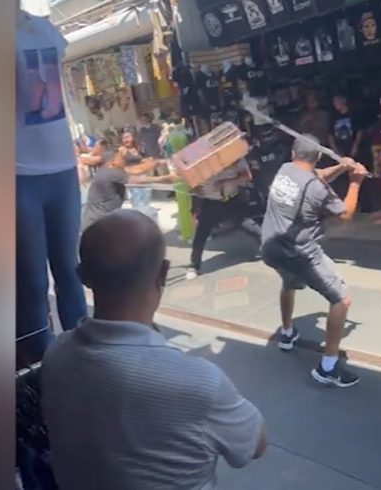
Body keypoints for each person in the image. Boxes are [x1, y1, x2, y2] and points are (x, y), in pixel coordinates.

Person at [43, 210, 267, 490]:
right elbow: (255, 444)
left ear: (82, 276)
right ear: (163, 273)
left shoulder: (56, 356)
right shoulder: (199, 383)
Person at [261, 135, 369, 387]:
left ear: (293, 152)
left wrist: (342, 167)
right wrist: (355, 181)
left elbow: (315, 175)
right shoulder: (316, 189)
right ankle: (327, 367)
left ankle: (287, 334)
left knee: (289, 283)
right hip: (299, 252)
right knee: (341, 298)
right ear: (318, 156)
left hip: (270, 246)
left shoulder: (286, 170)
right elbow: (345, 214)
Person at [15, 8, 87, 365]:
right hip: (17, 172)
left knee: (69, 270)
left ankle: (84, 355)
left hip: (62, 165)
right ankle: (39, 369)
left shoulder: (44, 28)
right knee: (32, 281)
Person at [187, 159, 261, 280]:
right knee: (201, 233)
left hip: (232, 198)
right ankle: (194, 265)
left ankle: (269, 248)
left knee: (246, 224)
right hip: (211, 201)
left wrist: (225, 182)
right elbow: (192, 181)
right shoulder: (199, 159)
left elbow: (247, 176)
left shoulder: (233, 155)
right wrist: (196, 188)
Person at [81, 147, 175, 231]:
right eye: (121, 158)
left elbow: (135, 170)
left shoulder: (107, 170)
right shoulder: (112, 173)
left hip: (98, 220)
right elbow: (137, 180)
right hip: (99, 223)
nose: (123, 160)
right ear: (113, 161)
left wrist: (158, 163)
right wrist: (165, 178)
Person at [328, 93, 366, 198]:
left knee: (357, 173)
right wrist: (335, 151)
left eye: (337, 101)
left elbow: (359, 131)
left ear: (343, 100)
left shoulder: (353, 114)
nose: (335, 104)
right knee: (340, 177)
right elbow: (330, 134)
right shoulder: (333, 117)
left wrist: (356, 146)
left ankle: (364, 201)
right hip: (340, 149)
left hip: (352, 147)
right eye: (334, 102)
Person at [119, 130, 157, 219]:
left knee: (146, 200)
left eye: (128, 137)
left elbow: (149, 159)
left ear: (133, 138)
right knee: (136, 201)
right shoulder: (121, 150)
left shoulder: (140, 148)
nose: (125, 140)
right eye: (123, 138)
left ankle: (147, 220)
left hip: (144, 177)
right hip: (132, 179)